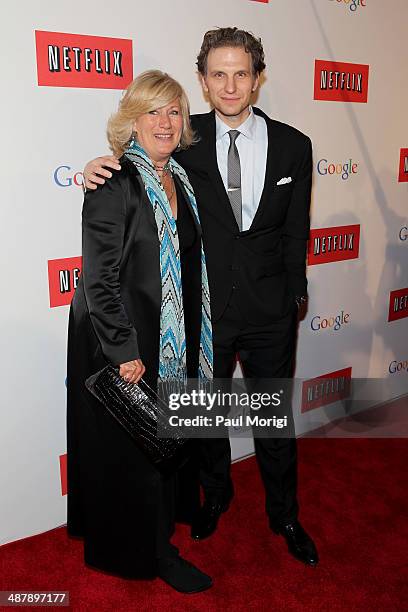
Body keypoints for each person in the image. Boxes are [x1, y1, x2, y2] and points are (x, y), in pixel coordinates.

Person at [83, 28, 319, 566]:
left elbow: (295, 233)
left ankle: (284, 513)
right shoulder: (182, 140)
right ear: (204, 82)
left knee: (271, 418)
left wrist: (292, 295)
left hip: (268, 313)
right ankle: (215, 496)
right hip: (202, 314)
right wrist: (93, 168)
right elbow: (137, 167)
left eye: (241, 73)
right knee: (203, 417)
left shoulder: (294, 145)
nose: (230, 85)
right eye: (219, 74)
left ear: (257, 80)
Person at [67, 69, 214, 593]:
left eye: (174, 111)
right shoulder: (115, 181)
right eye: (152, 111)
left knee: (162, 443)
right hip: (123, 338)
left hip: (170, 339)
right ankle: (150, 555)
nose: (165, 121)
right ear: (131, 121)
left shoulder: (183, 178)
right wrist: (123, 350)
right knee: (136, 452)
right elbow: (99, 280)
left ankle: (159, 536)